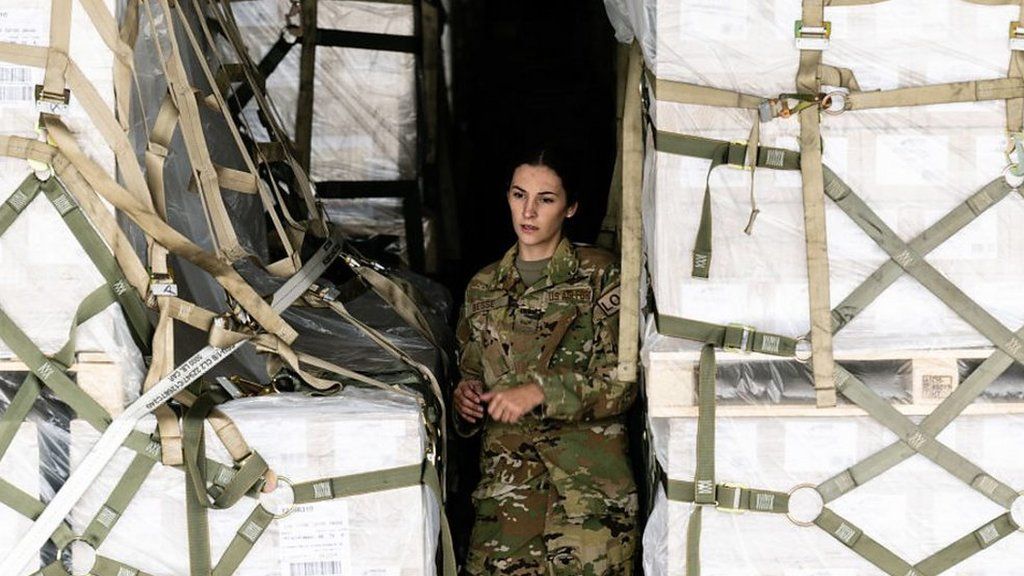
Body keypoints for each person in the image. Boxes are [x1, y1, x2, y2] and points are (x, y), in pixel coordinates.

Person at [453, 146, 638, 575]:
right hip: (506, 504)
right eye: (519, 195)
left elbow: (624, 382)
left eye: (546, 199)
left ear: (570, 207)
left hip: (589, 505)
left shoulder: (601, 276)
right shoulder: (482, 288)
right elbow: (470, 372)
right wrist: (465, 398)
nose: (529, 211)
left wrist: (540, 391)